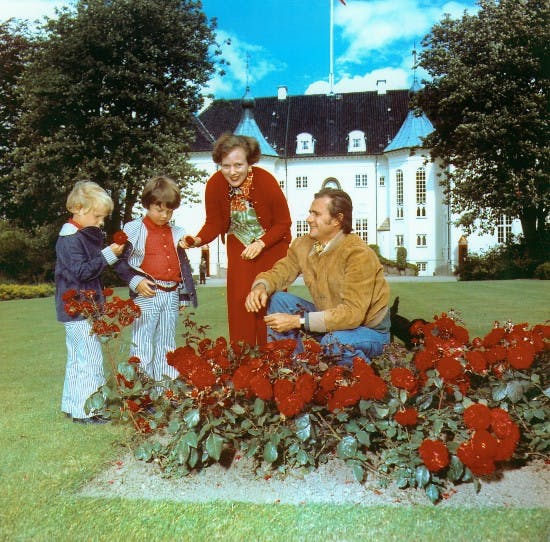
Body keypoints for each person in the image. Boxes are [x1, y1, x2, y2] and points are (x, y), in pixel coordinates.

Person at [245, 188, 390, 366]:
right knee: (279, 300)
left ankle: (368, 379)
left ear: (337, 219)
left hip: (367, 330)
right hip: (329, 320)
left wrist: (297, 321)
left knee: (332, 342)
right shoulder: (303, 245)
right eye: (310, 213)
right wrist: (261, 286)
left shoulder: (358, 254)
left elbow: (352, 315)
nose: (309, 219)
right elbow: (282, 271)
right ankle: (292, 371)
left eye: (316, 214)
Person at [181, 133, 291, 346]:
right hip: (239, 245)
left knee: (269, 301)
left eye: (238, 165)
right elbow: (214, 223)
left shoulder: (266, 181)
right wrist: (197, 240)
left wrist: (261, 243)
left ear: (249, 161)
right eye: (226, 166)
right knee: (241, 302)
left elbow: (283, 223)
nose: (232, 172)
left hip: (271, 246)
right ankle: (243, 361)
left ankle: (276, 359)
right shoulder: (214, 185)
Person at [55, 181, 125, 424]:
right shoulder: (70, 239)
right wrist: (107, 255)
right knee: (91, 359)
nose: (101, 222)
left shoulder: (77, 236)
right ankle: (88, 412)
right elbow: (82, 272)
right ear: (79, 208)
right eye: (97, 216)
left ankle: (72, 404)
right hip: (78, 310)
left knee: (77, 359)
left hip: (78, 310)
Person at [115, 176, 197, 382]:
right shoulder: (133, 229)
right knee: (143, 344)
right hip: (147, 293)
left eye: (169, 211)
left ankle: (165, 389)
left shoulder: (176, 232)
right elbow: (118, 261)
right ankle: (143, 392)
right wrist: (135, 282)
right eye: (159, 209)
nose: (164, 215)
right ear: (147, 204)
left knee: (167, 343)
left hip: (171, 295)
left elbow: (182, 266)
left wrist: (183, 296)